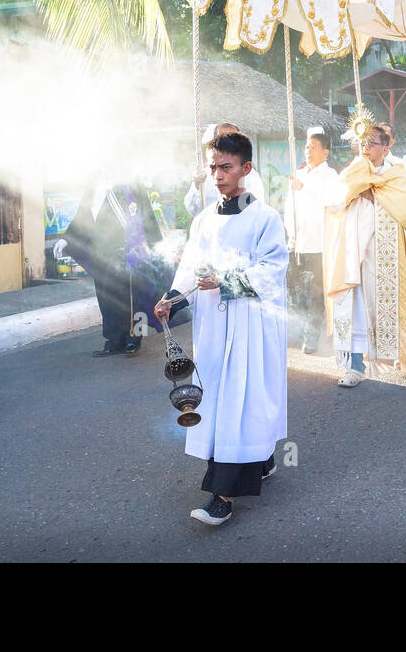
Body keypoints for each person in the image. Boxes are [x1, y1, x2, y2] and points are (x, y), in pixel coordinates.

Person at [153, 131, 287, 527]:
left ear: (246, 168)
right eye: (213, 167)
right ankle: (259, 456)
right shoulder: (204, 220)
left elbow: (273, 272)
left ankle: (223, 496)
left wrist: (227, 281)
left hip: (250, 328)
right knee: (225, 400)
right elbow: (189, 268)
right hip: (214, 328)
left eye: (226, 167)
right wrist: (173, 298)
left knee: (240, 401)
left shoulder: (266, 218)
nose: (217, 175)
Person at [323, 112, 406, 387]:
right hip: (353, 250)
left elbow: (404, 208)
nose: (366, 148)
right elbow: (333, 202)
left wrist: (373, 193)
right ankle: (355, 366)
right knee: (354, 306)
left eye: (373, 143)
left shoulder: (396, 170)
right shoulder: (353, 170)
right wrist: (355, 188)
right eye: (363, 142)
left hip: (383, 252)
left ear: (386, 147)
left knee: (393, 304)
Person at [60, 176, 168, 357]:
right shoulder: (93, 184)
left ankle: (135, 338)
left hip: (128, 250)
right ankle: (114, 339)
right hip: (100, 252)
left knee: (135, 296)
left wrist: (155, 245)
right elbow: (82, 216)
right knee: (106, 297)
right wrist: (66, 239)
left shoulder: (130, 184)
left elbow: (146, 216)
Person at [285, 129, 337, 353]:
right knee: (298, 291)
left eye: (314, 147)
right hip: (299, 242)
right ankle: (301, 329)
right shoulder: (300, 174)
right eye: (306, 147)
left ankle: (313, 335)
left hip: (320, 243)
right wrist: (291, 232)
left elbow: (332, 202)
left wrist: (305, 188)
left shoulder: (331, 176)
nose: (308, 151)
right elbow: (289, 207)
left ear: (325, 152)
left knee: (316, 292)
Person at [185, 122, 266, 215]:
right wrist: (196, 185)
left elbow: (254, 208)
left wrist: (226, 211)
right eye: (223, 140)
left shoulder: (249, 174)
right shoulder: (204, 174)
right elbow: (193, 210)